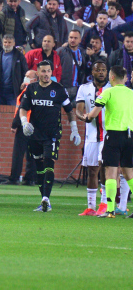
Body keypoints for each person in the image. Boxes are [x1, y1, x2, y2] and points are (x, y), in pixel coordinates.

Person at [19, 60, 79, 212]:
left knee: (48, 162)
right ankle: (44, 201)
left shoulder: (58, 89)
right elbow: (23, 108)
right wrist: (24, 123)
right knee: (39, 168)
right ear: (37, 73)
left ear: (52, 72)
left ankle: (46, 198)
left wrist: (74, 129)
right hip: (35, 134)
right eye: (43, 71)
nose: (46, 74)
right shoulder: (31, 88)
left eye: (48, 71)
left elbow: (69, 111)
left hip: (52, 134)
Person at [84, 65, 133, 218]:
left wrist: (87, 117)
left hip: (113, 137)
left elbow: (93, 114)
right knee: (129, 174)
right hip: (130, 137)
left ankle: (110, 210)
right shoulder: (131, 93)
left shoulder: (107, 92)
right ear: (125, 78)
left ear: (111, 77)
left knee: (110, 172)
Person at [74, 60, 110, 216]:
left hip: (108, 135)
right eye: (98, 70)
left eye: (104, 70)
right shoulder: (84, 88)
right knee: (92, 170)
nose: (101, 72)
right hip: (91, 135)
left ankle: (104, 204)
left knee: (105, 168)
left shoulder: (111, 89)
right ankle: (90, 207)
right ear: (92, 72)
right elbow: (78, 110)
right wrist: (83, 117)